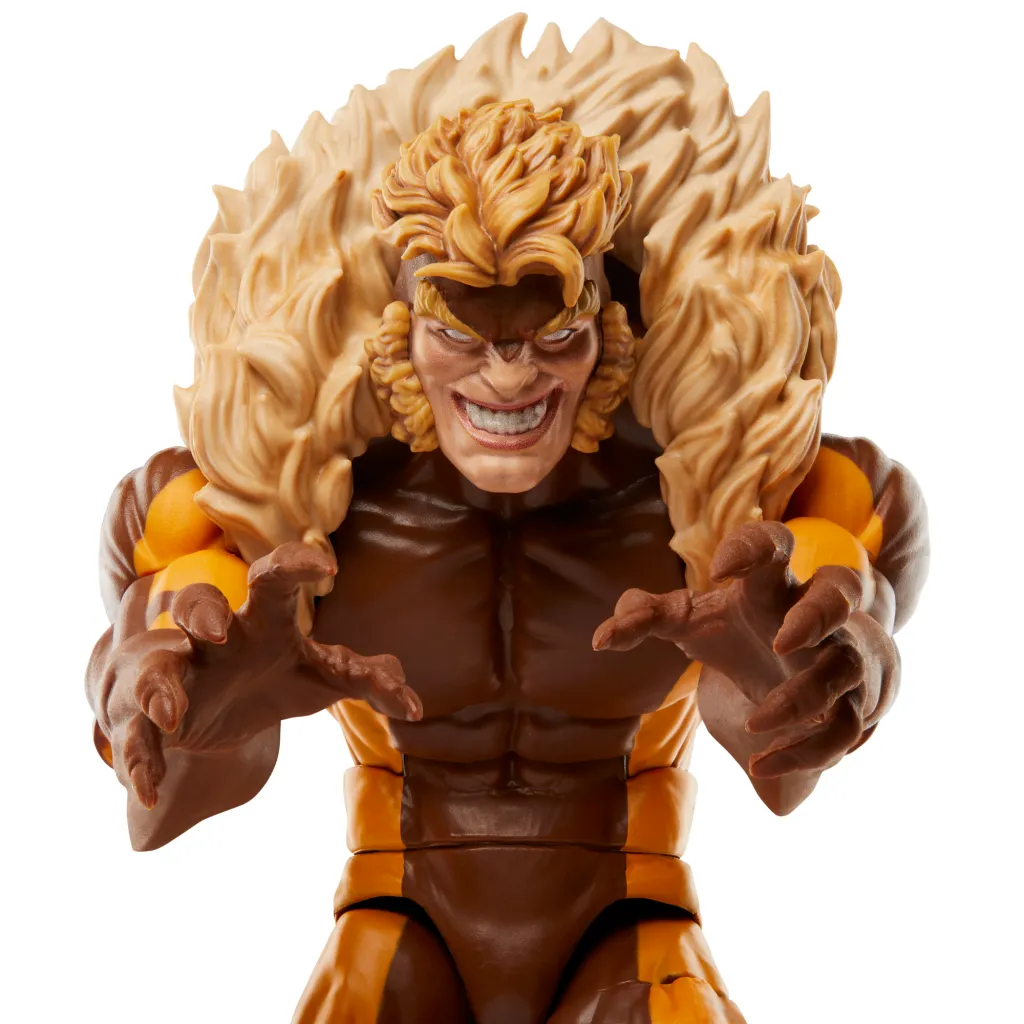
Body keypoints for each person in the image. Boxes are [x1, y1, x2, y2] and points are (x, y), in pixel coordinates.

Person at [86, 18, 928, 1024]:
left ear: (610, 326)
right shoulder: (282, 515)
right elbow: (160, 803)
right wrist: (179, 709)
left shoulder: (720, 501)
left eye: (552, 326)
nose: (508, 373)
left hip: (633, 919)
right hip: (395, 918)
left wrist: (803, 667)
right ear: (400, 326)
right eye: (462, 324)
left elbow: (781, 754)